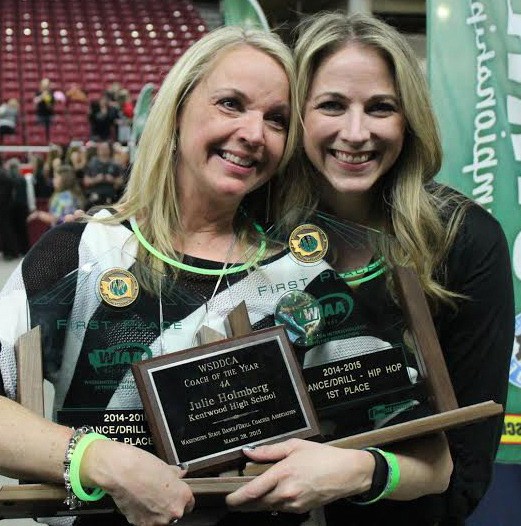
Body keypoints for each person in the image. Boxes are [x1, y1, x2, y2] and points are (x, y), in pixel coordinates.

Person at [0, 24, 303, 526]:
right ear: (178, 108)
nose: (254, 134)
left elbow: (386, 431)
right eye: (231, 103)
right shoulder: (82, 250)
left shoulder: (300, 274)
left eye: (277, 119)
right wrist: (98, 460)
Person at [226, 12, 514, 525]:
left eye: (381, 108)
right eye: (332, 105)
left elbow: (466, 474)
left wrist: (360, 473)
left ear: (410, 119)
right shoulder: (246, 224)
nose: (356, 133)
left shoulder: (464, 240)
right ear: (298, 116)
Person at [34, 78, 55, 143]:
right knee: (40, 131)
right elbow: (35, 101)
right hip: (40, 115)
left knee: (50, 131)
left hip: (49, 115)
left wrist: (49, 105)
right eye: (44, 84)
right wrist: (43, 95)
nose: (46, 86)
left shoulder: (51, 93)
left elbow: (53, 103)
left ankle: (49, 142)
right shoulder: (38, 92)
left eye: (47, 84)